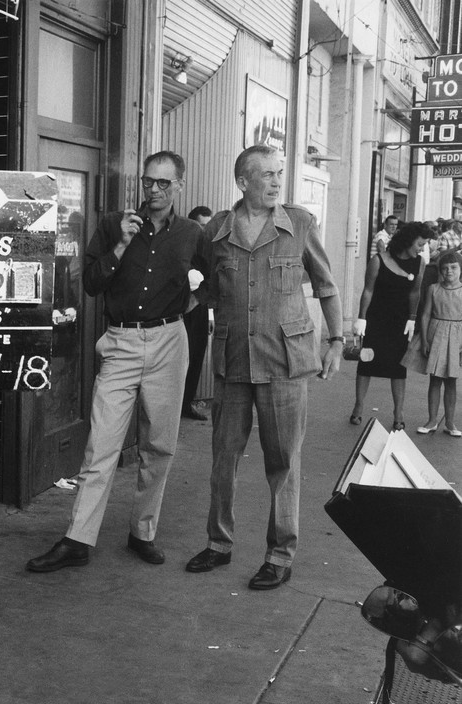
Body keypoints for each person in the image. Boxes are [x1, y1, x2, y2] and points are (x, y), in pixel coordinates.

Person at [26, 151, 207, 572]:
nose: (155, 190)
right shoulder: (112, 225)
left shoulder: (192, 234)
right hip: (121, 341)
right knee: (100, 446)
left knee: (159, 445)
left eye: (164, 183)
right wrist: (122, 245)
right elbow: (90, 284)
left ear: (179, 185)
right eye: (148, 182)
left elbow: (211, 282)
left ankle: (142, 532)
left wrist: (183, 307)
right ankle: (77, 540)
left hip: (168, 341)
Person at [184, 145, 344, 591]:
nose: (276, 182)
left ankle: (280, 554)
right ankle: (219, 544)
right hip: (233, 358)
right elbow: (205, 287)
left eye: (279, 174)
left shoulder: (300, 224)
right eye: (267, 175)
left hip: (284, 361)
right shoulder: (217, 228)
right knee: (223, 458)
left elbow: (328, 288)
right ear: (243, 182)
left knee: (284, 463)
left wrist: (336, 341)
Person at [349, 221, 431, 430]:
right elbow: (368, 290)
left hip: (400, 321)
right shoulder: (379, 260)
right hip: (376, 318)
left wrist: (412, 318)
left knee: (398, 367)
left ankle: (398, 413)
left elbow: (415, 292)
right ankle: (358, 406)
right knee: (366, 362)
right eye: (420, 244)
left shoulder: (419, 262)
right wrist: (361, 318)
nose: (422, 249)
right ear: (408, 241)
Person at [403, 251, 462, 436]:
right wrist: (426, 340)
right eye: (444, 269)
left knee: (451, 381)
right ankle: (432, 420)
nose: (449, 272)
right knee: (435, 380)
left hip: (457, 338)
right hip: (437, 335)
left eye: (453, 268)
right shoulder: (433, 289)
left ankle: (450, 423)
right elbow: (426, 314)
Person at [182, 205, 214, 420]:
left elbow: (212, 281)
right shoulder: (182, 244)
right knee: (180, 359)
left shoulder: (208, 249)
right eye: (202, 226)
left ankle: (187, 404)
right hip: (181, 309)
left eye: (208, 227)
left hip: (200, 309)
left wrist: (210, 314)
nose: (205, 231)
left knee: (196, 357)